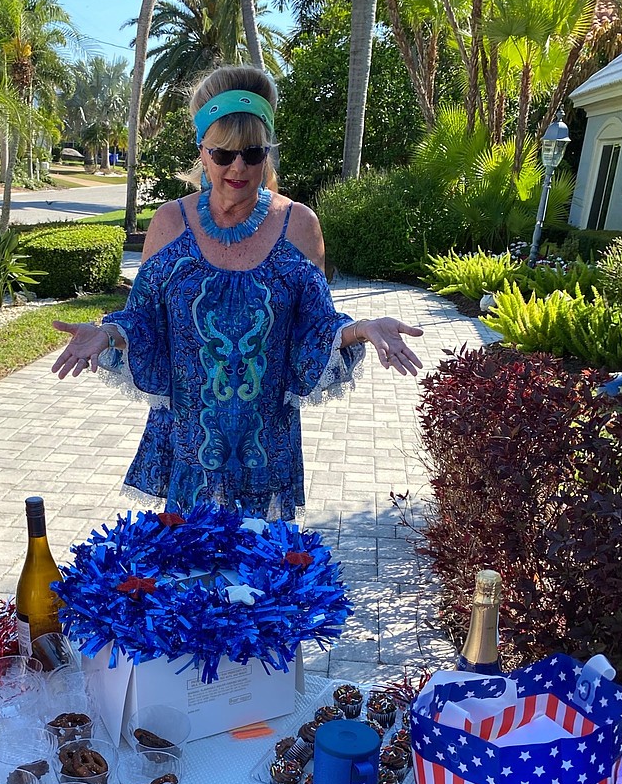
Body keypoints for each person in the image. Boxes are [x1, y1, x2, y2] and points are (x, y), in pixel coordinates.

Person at [51, 65, 423, 521]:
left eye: (252, 152)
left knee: (261, 581)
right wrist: (107, 333)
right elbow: (143, 319)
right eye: (223, 154)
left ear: (267, 152)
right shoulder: (169, 224)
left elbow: (317, 328)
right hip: (188, 449)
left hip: (266, 453)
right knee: (186, 582)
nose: (239, 167)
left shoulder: (300, 226)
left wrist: (361, 329)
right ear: (202, 152)